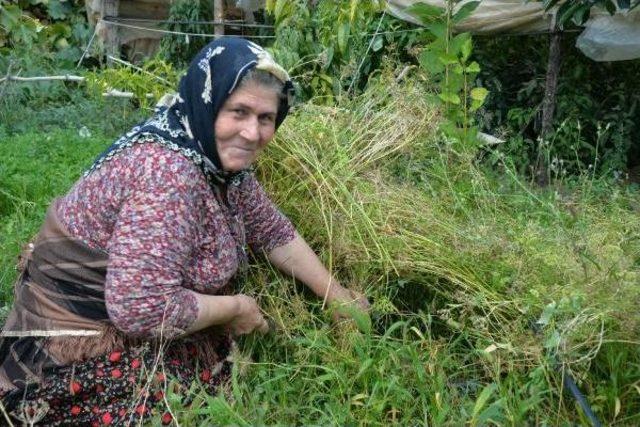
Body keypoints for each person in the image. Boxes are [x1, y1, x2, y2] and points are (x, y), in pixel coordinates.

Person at [0, 37, 368, 425]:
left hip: (121, 311)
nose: (252, 133)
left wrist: (335, 295)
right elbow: (140, 310)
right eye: (238, 111)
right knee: (190, 407)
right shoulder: (169, 174)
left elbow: (271, 229)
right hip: (70, 346)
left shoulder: (211, 157)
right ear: (207, 105)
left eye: (265, 118)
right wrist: (235, 309)